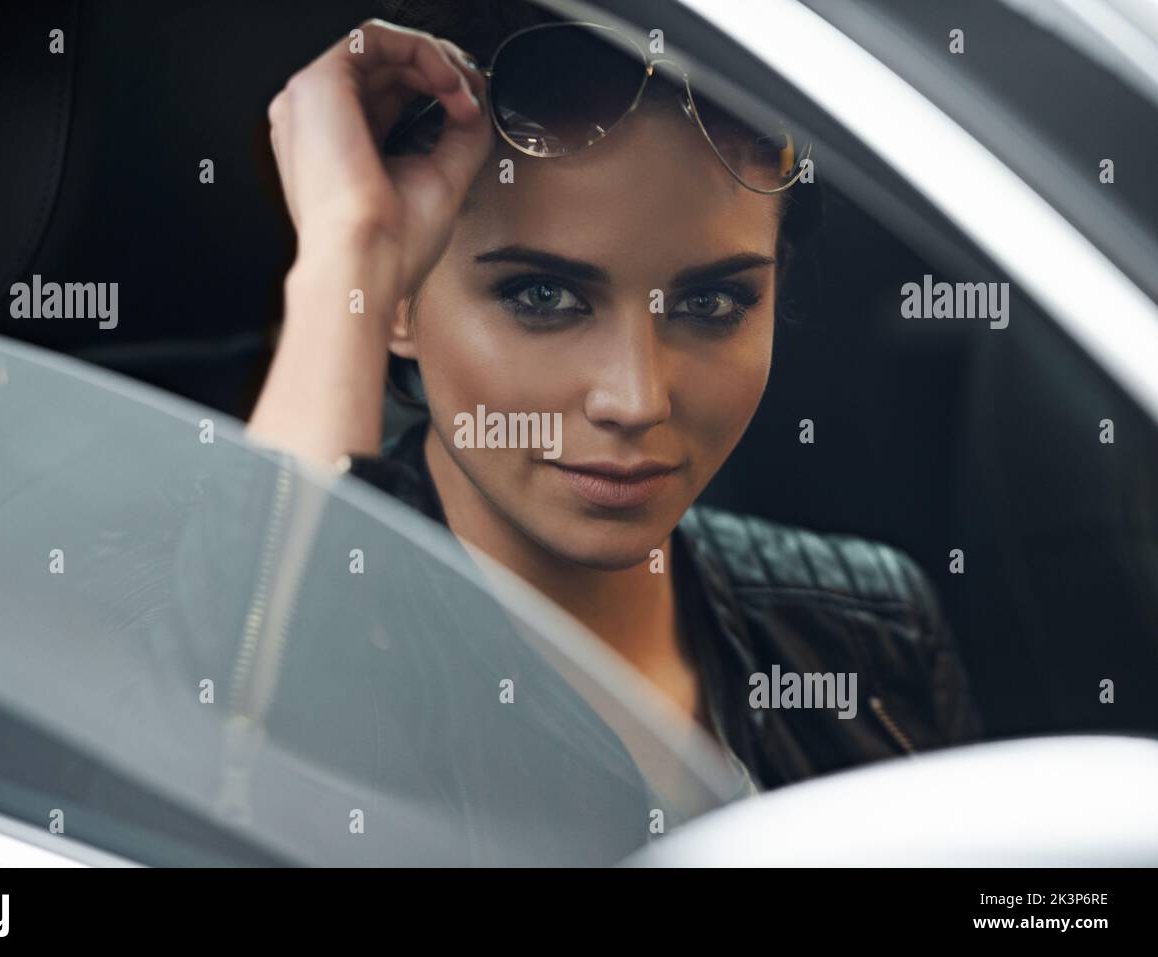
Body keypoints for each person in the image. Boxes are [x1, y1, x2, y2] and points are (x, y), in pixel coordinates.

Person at [248, 0, 982, 788]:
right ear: (397, 294)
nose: (635, 400)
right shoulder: (265, 615)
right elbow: (229, 743)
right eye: (541, 297)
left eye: (712, 304)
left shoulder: (874, 631)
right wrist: (345, 252)